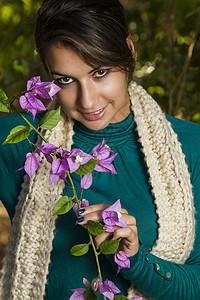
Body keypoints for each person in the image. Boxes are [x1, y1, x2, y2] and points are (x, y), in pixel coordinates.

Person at [0, 0, 200, 299]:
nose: (88, 101)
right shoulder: (20, 141)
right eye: (65, 80)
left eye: (100, 72)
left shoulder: (192, 146)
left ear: (129, 51)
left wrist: (133, 259)